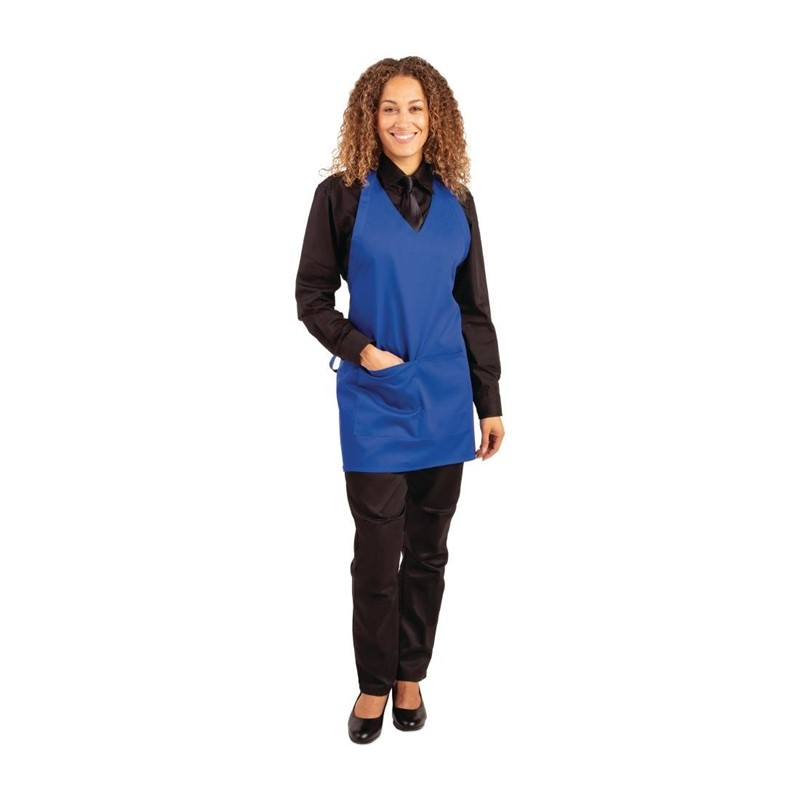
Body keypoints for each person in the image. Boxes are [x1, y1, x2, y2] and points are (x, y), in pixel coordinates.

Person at [295, 55, 504, 745]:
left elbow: (474, 307)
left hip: (444, 398)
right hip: (375, 400)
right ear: (370, 116)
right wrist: (362, 350)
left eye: (415, 108)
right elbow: (311, 296)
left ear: (434, 116)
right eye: (389, 108)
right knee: (376, 556)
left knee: (429, 552)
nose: (402, 121)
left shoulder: (458, 199)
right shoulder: (340, 197)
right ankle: (373, 682)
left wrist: (489, 399)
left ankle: (411, 673)